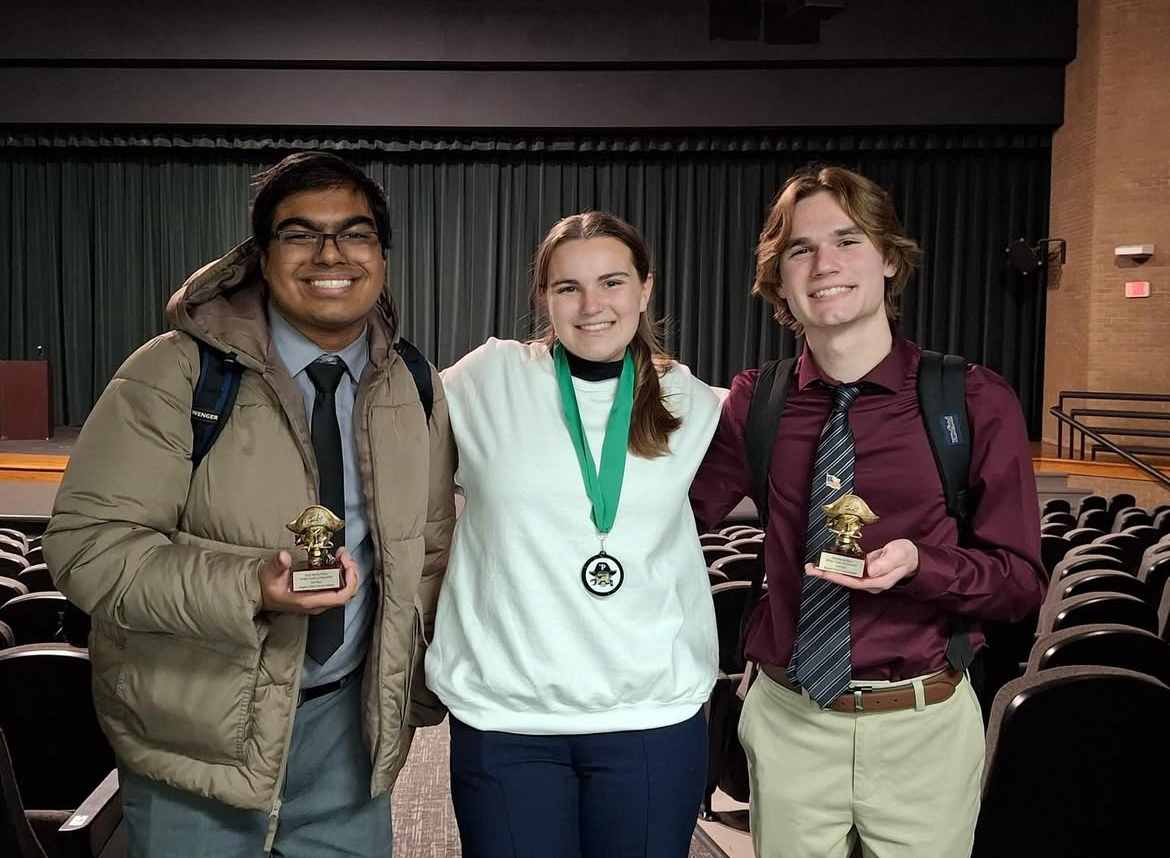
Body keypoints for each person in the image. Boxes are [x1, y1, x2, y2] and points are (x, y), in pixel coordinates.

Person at [43, 151, 455, 857]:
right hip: (197, 746)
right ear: (261, 258)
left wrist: (409, 701)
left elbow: (430, 552)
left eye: (355, 233)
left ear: (381, 256)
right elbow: (88, 548)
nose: (331, 253)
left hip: (348, 744)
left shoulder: (413, 383)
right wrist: (250, 585)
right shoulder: (174, 374)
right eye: (300, 234)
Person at [690, 164, 1046, 858]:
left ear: (888, 258)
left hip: (925, 725)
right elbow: (666, 525)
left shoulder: (972, 399)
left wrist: (923, 565)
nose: (825, 263)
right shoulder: (754, 403)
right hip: (790, 721)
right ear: (779, 277)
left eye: (848, 240)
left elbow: (1020, 581)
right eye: (800, 247)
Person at [426, 211, 722, 858]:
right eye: (568, 288)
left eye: (612, 282)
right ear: (545, 298)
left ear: (645, 290)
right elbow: (382, 433)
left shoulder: (692, 401)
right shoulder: (486, 380)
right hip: (506, 720)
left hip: (651, 718)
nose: (592, 306)